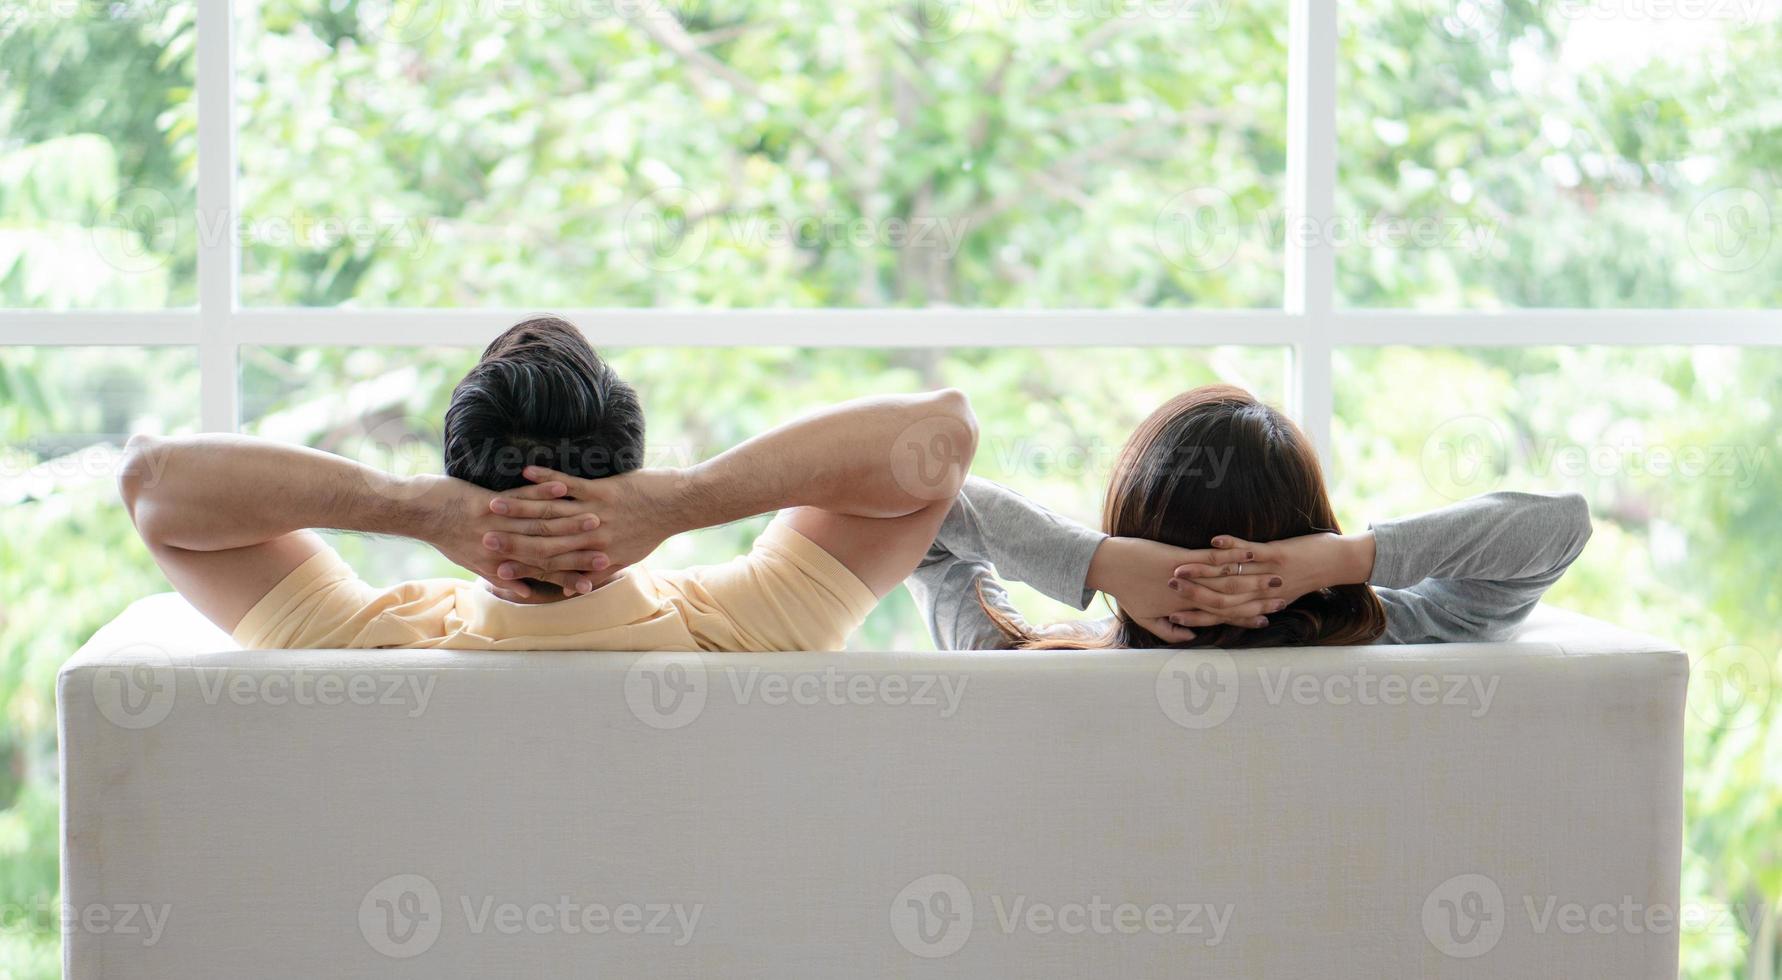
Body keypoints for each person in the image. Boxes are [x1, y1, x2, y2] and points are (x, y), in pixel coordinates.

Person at [118, 316, 982, 652]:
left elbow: (153, 483)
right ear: (627, 475)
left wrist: (412, 510)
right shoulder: (755, 627)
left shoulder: (358, 644)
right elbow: (942, 436)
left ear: (464, 486)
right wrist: (682, 502)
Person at [906, 385, 1593, 649]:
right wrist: (1345, 558)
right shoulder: (1407, 641)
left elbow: (915, 499)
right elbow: (1559, 527)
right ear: (1308, 521)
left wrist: (1103, 563)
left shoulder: (1023, 668)